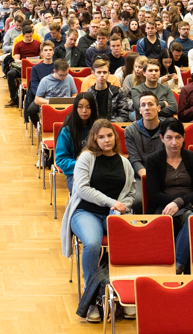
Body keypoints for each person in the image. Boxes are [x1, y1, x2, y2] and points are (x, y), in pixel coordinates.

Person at [60, 119, 138, 322]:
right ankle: (92, 297)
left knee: (128, 241)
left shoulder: (124, 162)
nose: (106, 140)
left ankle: (123, 296)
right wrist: (112, 202)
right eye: (101, 137)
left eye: (109, 136)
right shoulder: (86, 158)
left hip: (114, 213)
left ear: (115, 137)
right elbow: (82, 189)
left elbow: (131, 192)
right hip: (86, 211)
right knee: (93, 244)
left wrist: (122, 205)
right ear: (94, 138)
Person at [144, 118, 193, 271]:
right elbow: (154, 194)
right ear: (161, 138)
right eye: (169, 137)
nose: (174, 142)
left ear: (184, 138)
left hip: (188, 208)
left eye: (178, 137)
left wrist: (180, 202)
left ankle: (177, 266)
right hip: (164, 206)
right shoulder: (153, 160)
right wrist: (186, 202)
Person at [54, 93, 97, 193]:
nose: (84, 111)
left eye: (88, 107)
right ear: (75, 108)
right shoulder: (67, 131)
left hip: (96, 171)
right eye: (80, 107)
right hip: (75, 173)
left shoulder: (98, 129)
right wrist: (82, 165)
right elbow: (61, 159)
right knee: (85, 193)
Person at [123, 93, 164, 181]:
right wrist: (147, 178)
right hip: (139, 176)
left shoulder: (167, 129)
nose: (147, 108)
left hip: (164, 175)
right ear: (140, 110)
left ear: (158, 108)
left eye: (150, 104)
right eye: (143, 105)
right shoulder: (130, 130)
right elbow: (135, 160)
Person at [26, 59, 78, 128]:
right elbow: (37, 99)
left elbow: (75, 94)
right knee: (31, 110)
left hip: (66, 107)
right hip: (50, 106)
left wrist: (72, 100)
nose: (64, 77)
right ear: (54, 71)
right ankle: (40, 128)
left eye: (66, 74)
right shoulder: (45, 80)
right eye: (61, 75)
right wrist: (50, 102)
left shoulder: (69, 78)